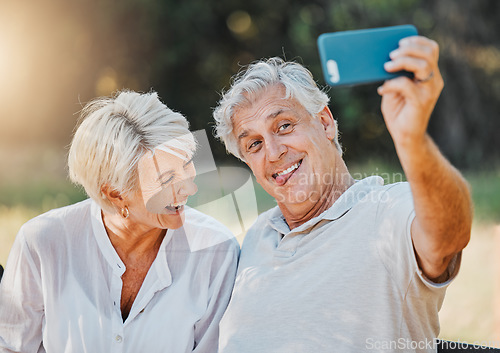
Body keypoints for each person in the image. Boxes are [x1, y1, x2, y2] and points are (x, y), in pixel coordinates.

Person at [213, 36, 472, 352]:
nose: (273, 152)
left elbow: (449, 234)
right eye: (254, 144)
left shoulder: (386, 210)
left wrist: (411, 140)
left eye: (283, 126)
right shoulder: (255, 238)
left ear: (324, 123)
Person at [0, 90, 239, 352]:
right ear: (115, 194)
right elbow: (13, 347)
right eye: (167, 180)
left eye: (186, 164)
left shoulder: (216, 250)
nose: (190, 189)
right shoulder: (42, 243)